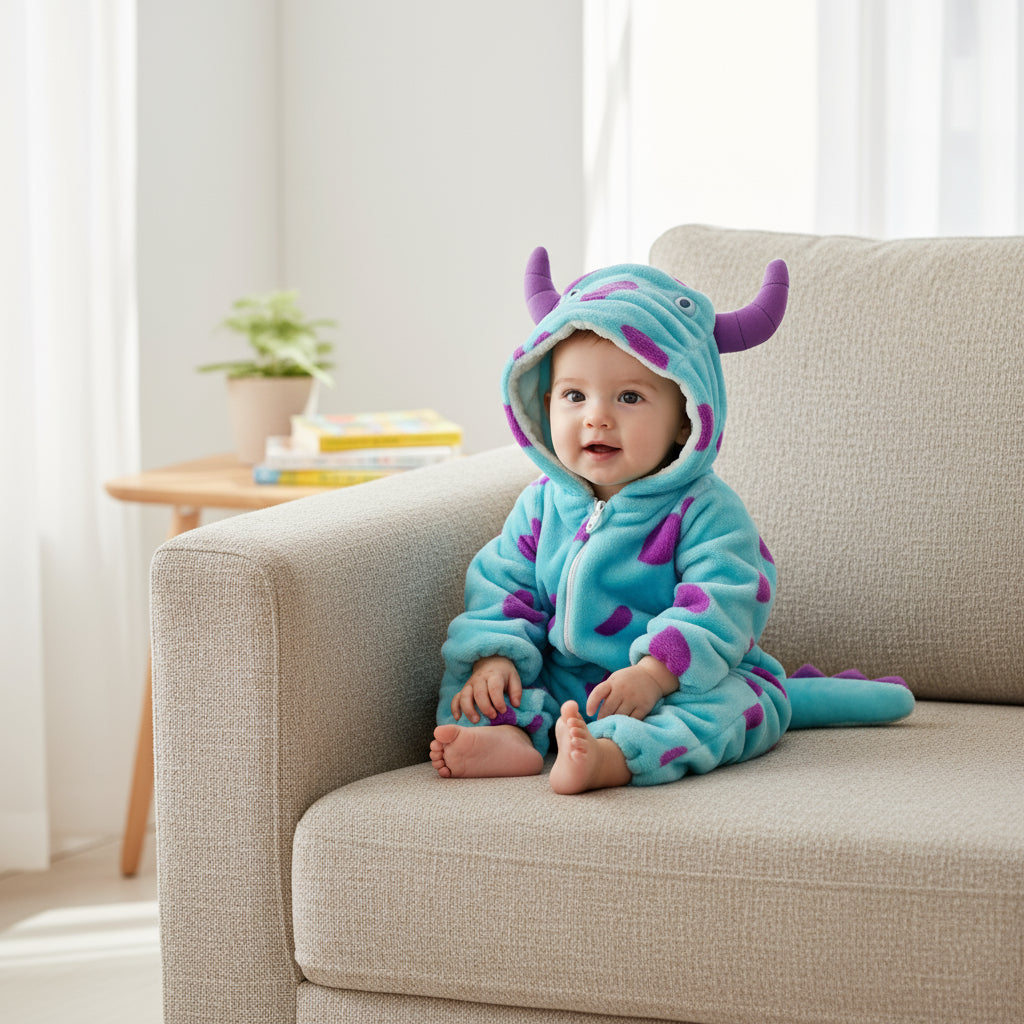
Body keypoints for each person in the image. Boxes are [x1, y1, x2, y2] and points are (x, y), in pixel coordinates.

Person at [429, 248, 913, 794]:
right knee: (480, 681)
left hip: (683, 678)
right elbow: (502, 584)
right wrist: (495, 656)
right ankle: (511, 739)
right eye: (573, 395)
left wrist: (655, 675)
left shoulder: (706, 511)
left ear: (686, 418)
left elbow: (726, 598)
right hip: (565, 676)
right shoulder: (540, 506)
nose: (597, 416)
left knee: (739, 706)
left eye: (630, 396)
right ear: (544, 404)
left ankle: (614, 756)